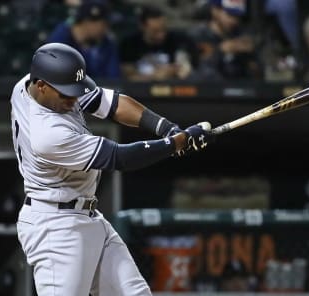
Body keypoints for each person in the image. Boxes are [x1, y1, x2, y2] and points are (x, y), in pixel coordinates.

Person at [12, 42, 214, 295]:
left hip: (87, 216)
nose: (74, 98)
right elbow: (120, 157)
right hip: (56, 228)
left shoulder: (29, 84)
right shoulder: (47, 136)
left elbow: (113, 103)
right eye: (66, 93)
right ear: (41, 86)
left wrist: (166, 128)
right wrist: (176, 144)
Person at [119, 5, 198, 81]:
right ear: (142, 27)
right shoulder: (129, 44)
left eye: (163, 29)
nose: (161, 35)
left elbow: (185, 69)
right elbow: (129, 77)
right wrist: (154, 76)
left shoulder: (177, 41)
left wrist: (181, 69)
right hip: (138, 92)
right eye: (155, 31)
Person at [46, 0, 121, 79]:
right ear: (88, 23)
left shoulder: (106, 42)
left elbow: (114, 78)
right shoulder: (60, 41)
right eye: (104, 24)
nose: (106, 29)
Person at [190, 0, 261, 80]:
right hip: (208, 89)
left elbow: (258, 76)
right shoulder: (199, 35)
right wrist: (221, 50)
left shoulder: (242, 35)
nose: (234, 21)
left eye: (237, 16)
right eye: (230, 15)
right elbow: (195, 69)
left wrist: (251, 58)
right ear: (215, 11)